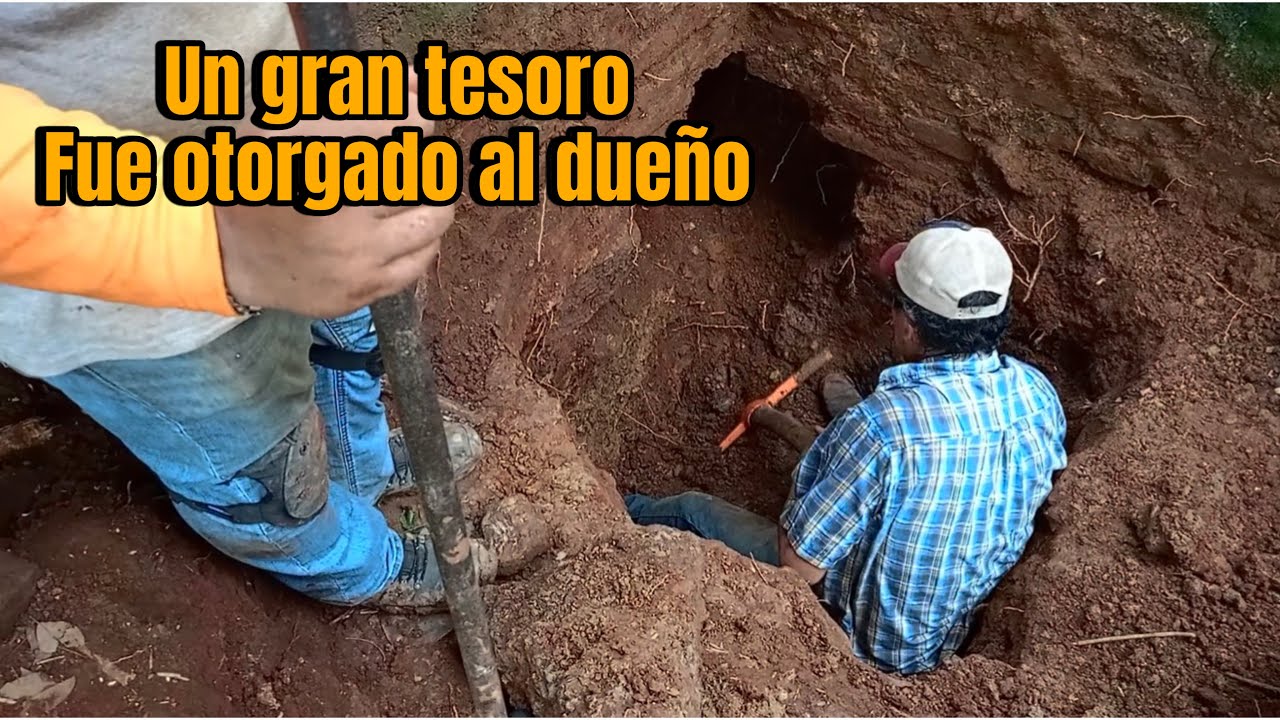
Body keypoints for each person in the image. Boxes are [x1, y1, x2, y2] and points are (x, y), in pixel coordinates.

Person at [0, 3, 493, 611]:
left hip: (301, 150)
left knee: (350, 344)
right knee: (267, 476)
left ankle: (360, 466)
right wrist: (211, 238)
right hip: (112, 278)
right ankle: (360, 566)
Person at [626, 220, 1068, 674]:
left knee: (693, 509)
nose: (890, 316)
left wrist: (844, 451)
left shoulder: (880, 430)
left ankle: (616, 510)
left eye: (897, 306)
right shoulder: (1037, 394)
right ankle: (843, 421)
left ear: (912, 329)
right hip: (948, 624)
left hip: (875, 643)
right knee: (871, 449)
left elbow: (797, 567)